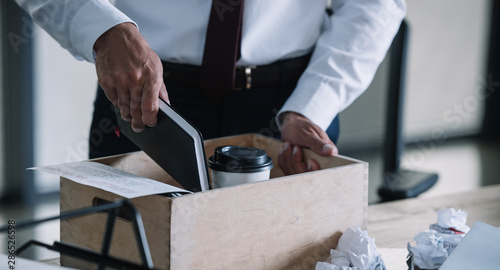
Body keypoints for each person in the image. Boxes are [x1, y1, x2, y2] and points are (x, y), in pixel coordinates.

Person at [15, 0, 406, 175]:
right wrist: (101, 27)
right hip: (146, 96)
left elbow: (374, 4)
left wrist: (314, 103)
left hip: (292, 103)